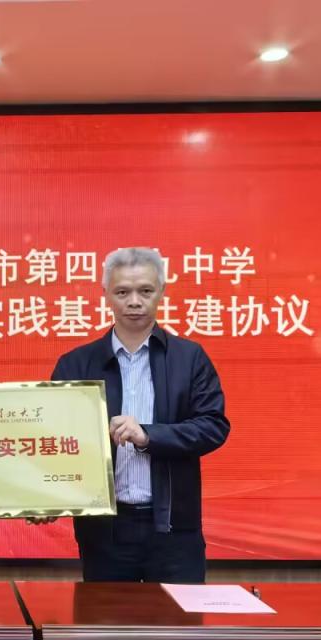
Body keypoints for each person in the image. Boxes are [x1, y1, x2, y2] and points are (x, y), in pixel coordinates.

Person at [51, 246, 229, 582]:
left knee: (178, 617)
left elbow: (213, 426)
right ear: (106, 294)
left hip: (174, 529)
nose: (134, 301)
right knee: (106, 616)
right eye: (122, 292)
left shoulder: (189, 358)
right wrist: (45, 500)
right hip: (105, 532)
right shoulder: (75, 364)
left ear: (161, 291)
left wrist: (149, 436)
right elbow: (56, 442)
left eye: (145, 291)